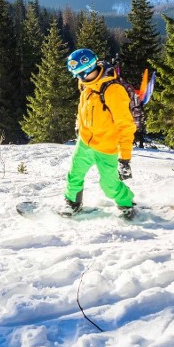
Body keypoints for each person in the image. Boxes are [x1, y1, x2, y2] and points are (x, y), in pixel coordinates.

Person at [64, 48, 137, 219]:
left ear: (88, 69)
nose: (78, 78)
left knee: (109, 185)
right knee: (74, 175)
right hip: (85, 143)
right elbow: (83, 110)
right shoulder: (85, 85)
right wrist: (79, 127)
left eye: (80, 73)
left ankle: (126, 204)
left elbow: (126, 126)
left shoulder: (113, 91)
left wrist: (125, 158)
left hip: (106, 147)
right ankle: (72, 203)